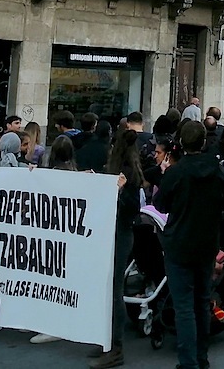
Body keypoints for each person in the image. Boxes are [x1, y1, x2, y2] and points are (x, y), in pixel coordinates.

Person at [154, 120, 224, 369]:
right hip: (206, 242)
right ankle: (201, 356)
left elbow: (160, 203)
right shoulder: (216, 169)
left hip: (179, 242)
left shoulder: (177, 172)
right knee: (201, 300)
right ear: (203, 142)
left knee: (184, 306)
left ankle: (188, 362)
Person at [86, 129, 146, 363]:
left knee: (114, 290)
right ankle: (107, 341)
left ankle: (115, 346)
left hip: (119, 232)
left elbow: (130, 207)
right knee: (109, 289)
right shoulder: (127, 171)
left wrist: (117, 191)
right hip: (116, 232)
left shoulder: (127, 174)